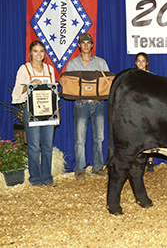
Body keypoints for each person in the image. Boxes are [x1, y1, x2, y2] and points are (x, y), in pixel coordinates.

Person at [59, 33, 113, 181]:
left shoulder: (101, 63)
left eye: (88, 43)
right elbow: (68, 82)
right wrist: (63, 81)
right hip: (81, 104)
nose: (86, 45)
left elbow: (108, 82)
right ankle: (80, 169)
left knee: (99, 138)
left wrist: (110, 80)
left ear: (92, 45)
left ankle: (98, 167)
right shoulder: (72, 64)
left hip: (99, 103)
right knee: (80, 139)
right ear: (79, 46)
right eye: (83, 43)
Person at [12, 40, 57, 187]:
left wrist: (57, 111)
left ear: (45, 54)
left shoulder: (50, 69)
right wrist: (30, 86)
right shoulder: (24, 69)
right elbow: (17, 92)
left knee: (47, 146)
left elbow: (53, 92)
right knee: (33, 146)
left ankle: (47, 177)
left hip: (48, 111)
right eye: (36, 51)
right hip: (32, 111)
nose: (39, 54)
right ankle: (35, 178)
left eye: (41, 51)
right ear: (31, 53)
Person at [134, 52, 155, 173]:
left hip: (149, 109)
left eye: (143, 61)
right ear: (135, 63)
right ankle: (138, 160)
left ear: (147, 63)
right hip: (136, 110)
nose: (141, 63)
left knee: (150, 137)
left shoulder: (152, 77)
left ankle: (150, 161)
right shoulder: (132, 77)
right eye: (139, 61)